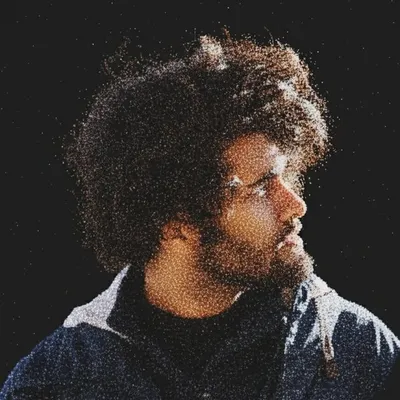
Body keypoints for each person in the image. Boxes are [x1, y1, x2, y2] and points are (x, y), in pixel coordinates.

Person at [1, 32, 398, 400]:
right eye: (262, 186)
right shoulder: (54, 383)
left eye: (287, 175)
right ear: (176, 222)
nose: (295, 204)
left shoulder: (360, 352)